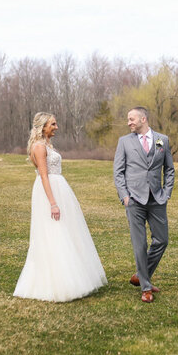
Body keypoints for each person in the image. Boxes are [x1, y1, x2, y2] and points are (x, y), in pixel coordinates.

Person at [13, 112, 107, 302]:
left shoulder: (48, 145)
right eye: (53, 124)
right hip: (49, 191)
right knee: (54, 231)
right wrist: (53, 203)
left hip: (59, 188)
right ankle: (58, 283)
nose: (56, 127)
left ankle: (74, 275)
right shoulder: (39, 147)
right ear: (43, 126)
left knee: (67, 230)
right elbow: (44, 176)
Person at [113, 106, 175, 303]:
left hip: (157, 199)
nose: (129, 122)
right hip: (134, 201)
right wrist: (124, 196)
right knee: (140, 245)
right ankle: (146, 288)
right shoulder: (124, 142)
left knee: (162, 240)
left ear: (143, 118)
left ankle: (141, 275)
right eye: (128, 119)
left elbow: (170, 169)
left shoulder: (161, 140)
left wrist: (166, 192)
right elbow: (118, 172)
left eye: (132, 119)